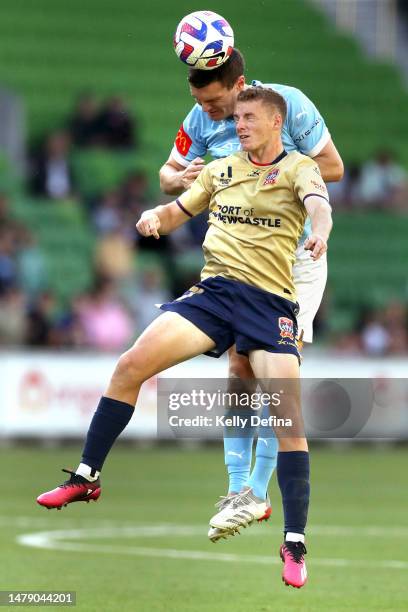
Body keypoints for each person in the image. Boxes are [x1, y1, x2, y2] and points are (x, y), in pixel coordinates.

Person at [37, 87, 333, 588]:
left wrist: (319, 229)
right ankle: (86, 477)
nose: (239, 126)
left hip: (269, 303)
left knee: (288, 418)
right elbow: (179, 209)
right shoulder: (221, 169)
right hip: (214, 295)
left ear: (276, 124)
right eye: (237, 119)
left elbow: (318, 205)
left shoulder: (299, 167)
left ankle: (295, 542)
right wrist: (156, 217)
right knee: (131, 364)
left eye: (250, 119)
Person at [159, 48, 343, 541]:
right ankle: (242, 491)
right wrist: (185, 178)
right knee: (239, 367)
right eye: (208, 106)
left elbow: (333, 167)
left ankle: (259, 493)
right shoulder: (202, 118)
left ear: (238, 87)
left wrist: (262, 171)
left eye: (219, 105)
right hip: (242, 258)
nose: (212, 115)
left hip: (295, 254)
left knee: (277, 379)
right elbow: (167, 176)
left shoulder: (291, 106)